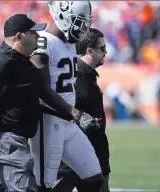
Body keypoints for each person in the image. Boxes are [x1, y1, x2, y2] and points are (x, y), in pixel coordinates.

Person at [0, 14, 98, 192]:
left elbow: (44, 91)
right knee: (25, 188)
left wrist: (76, 114)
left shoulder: (23, 61)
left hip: (12, 138)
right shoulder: (1, 64)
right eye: (33, 33)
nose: (38, 37)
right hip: (5, 140)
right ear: (19, 37)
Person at [30, 2, 104, 192]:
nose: (82, 29)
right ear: (63, 15)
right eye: (79, 23)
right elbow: (41, 89)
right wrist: (75, 113)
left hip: (68, 123)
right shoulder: (42, 42)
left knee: (94, 177)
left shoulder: (68, 42)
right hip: (48, 122)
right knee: (44, 186)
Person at [53, 28, 111, 192]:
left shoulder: (87, 74)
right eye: (102, 48)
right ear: (90, 50)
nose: (106, 52)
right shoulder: (74, 75)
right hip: (75, 153)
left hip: (94, 149)